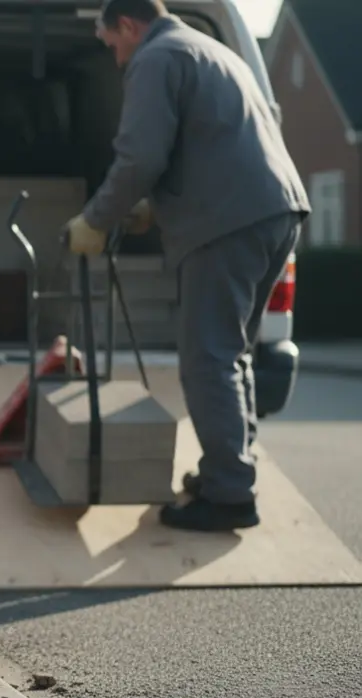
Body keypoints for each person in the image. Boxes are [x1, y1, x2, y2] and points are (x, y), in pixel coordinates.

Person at [62, 0, 310, 532]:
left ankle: (228, 497)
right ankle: (229, 470)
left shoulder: (156, 58)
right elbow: (207, 143)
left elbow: (140, 157)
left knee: (207, 358)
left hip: (226, 221)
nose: (116, 57)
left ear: (128, 25)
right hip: (275, 211)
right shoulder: (209, 49)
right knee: (233, 353)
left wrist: (96, 220)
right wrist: (158, 205)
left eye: (112, 44)